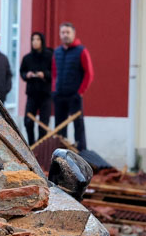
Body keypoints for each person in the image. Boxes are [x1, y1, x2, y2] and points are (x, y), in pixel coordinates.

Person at [51, 22, 94, 151]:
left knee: (78, 125)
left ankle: (82, 153)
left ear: (73, 34)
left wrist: (80, 92)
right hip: (59, 95)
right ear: (60, 35)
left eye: (68, 32)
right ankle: (60, 154)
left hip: (75, 95)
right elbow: (54, 73)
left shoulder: (81, 51)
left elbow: (89, 74)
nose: (65, 35)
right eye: (63, 33)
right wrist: (54, 90)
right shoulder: (57, 52)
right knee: (59, 127)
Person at [19, 31, 53, 146]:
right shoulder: (27, 58)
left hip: (45, 95)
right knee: (28, 121)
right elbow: (22, 71)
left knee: (43, 124)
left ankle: (40, 146)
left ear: (42, 41)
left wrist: (45, 74)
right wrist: (27, 75)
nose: (35, 42)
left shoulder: (49, 56)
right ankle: (31, 145)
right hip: (32, 94)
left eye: (37, 39)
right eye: (33, 39)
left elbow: (54, 73)